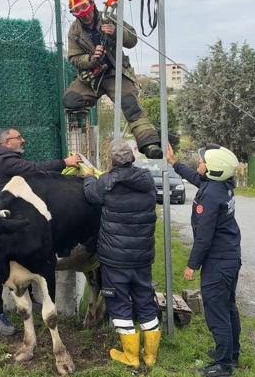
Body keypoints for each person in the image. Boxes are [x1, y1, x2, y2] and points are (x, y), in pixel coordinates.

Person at [0, 127, 81, 336]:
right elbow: (34, 169)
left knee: (29, 260)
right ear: (7, 142)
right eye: (19, 138)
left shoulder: (3, 158)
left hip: (11, 220)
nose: (23, 140)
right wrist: (65, 163)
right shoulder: (5, 160)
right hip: (0, 222)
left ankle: (33, 301)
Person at [82, 139, 161, 368]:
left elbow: (90, 194)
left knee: (118, 303)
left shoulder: (106, 182)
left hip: (115, 261)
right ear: (133, 158)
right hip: (142, 257)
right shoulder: (147, 180)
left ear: (112, 160)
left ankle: (131, 357)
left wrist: (88, 176)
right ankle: (150, 356)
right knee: (145, 300)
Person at [167, 143, 242, 377]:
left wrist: (192, 265)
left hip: (218, 262)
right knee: (228, 307)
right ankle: (232, 354)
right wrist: (174, 163)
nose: (199, 164)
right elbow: (196, 178)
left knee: (217, 311)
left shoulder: (210, 196)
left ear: (214, 170)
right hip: (230, 256)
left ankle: (223, 366)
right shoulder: (221, 186)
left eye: (203, 162)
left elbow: (204, 236)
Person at [64, 0, 162, 160]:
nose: (83, 14)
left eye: (84, 8)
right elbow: (74, 58)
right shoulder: (74, 31)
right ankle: (83, 116)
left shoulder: (110, 18)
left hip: (115, 72)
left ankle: (149, 144)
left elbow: (132, 40)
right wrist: (91, 58)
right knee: (71, 101)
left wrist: (116, 32)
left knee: (131, 106)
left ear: (92, 3)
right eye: (77, 10)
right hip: (92, 76)